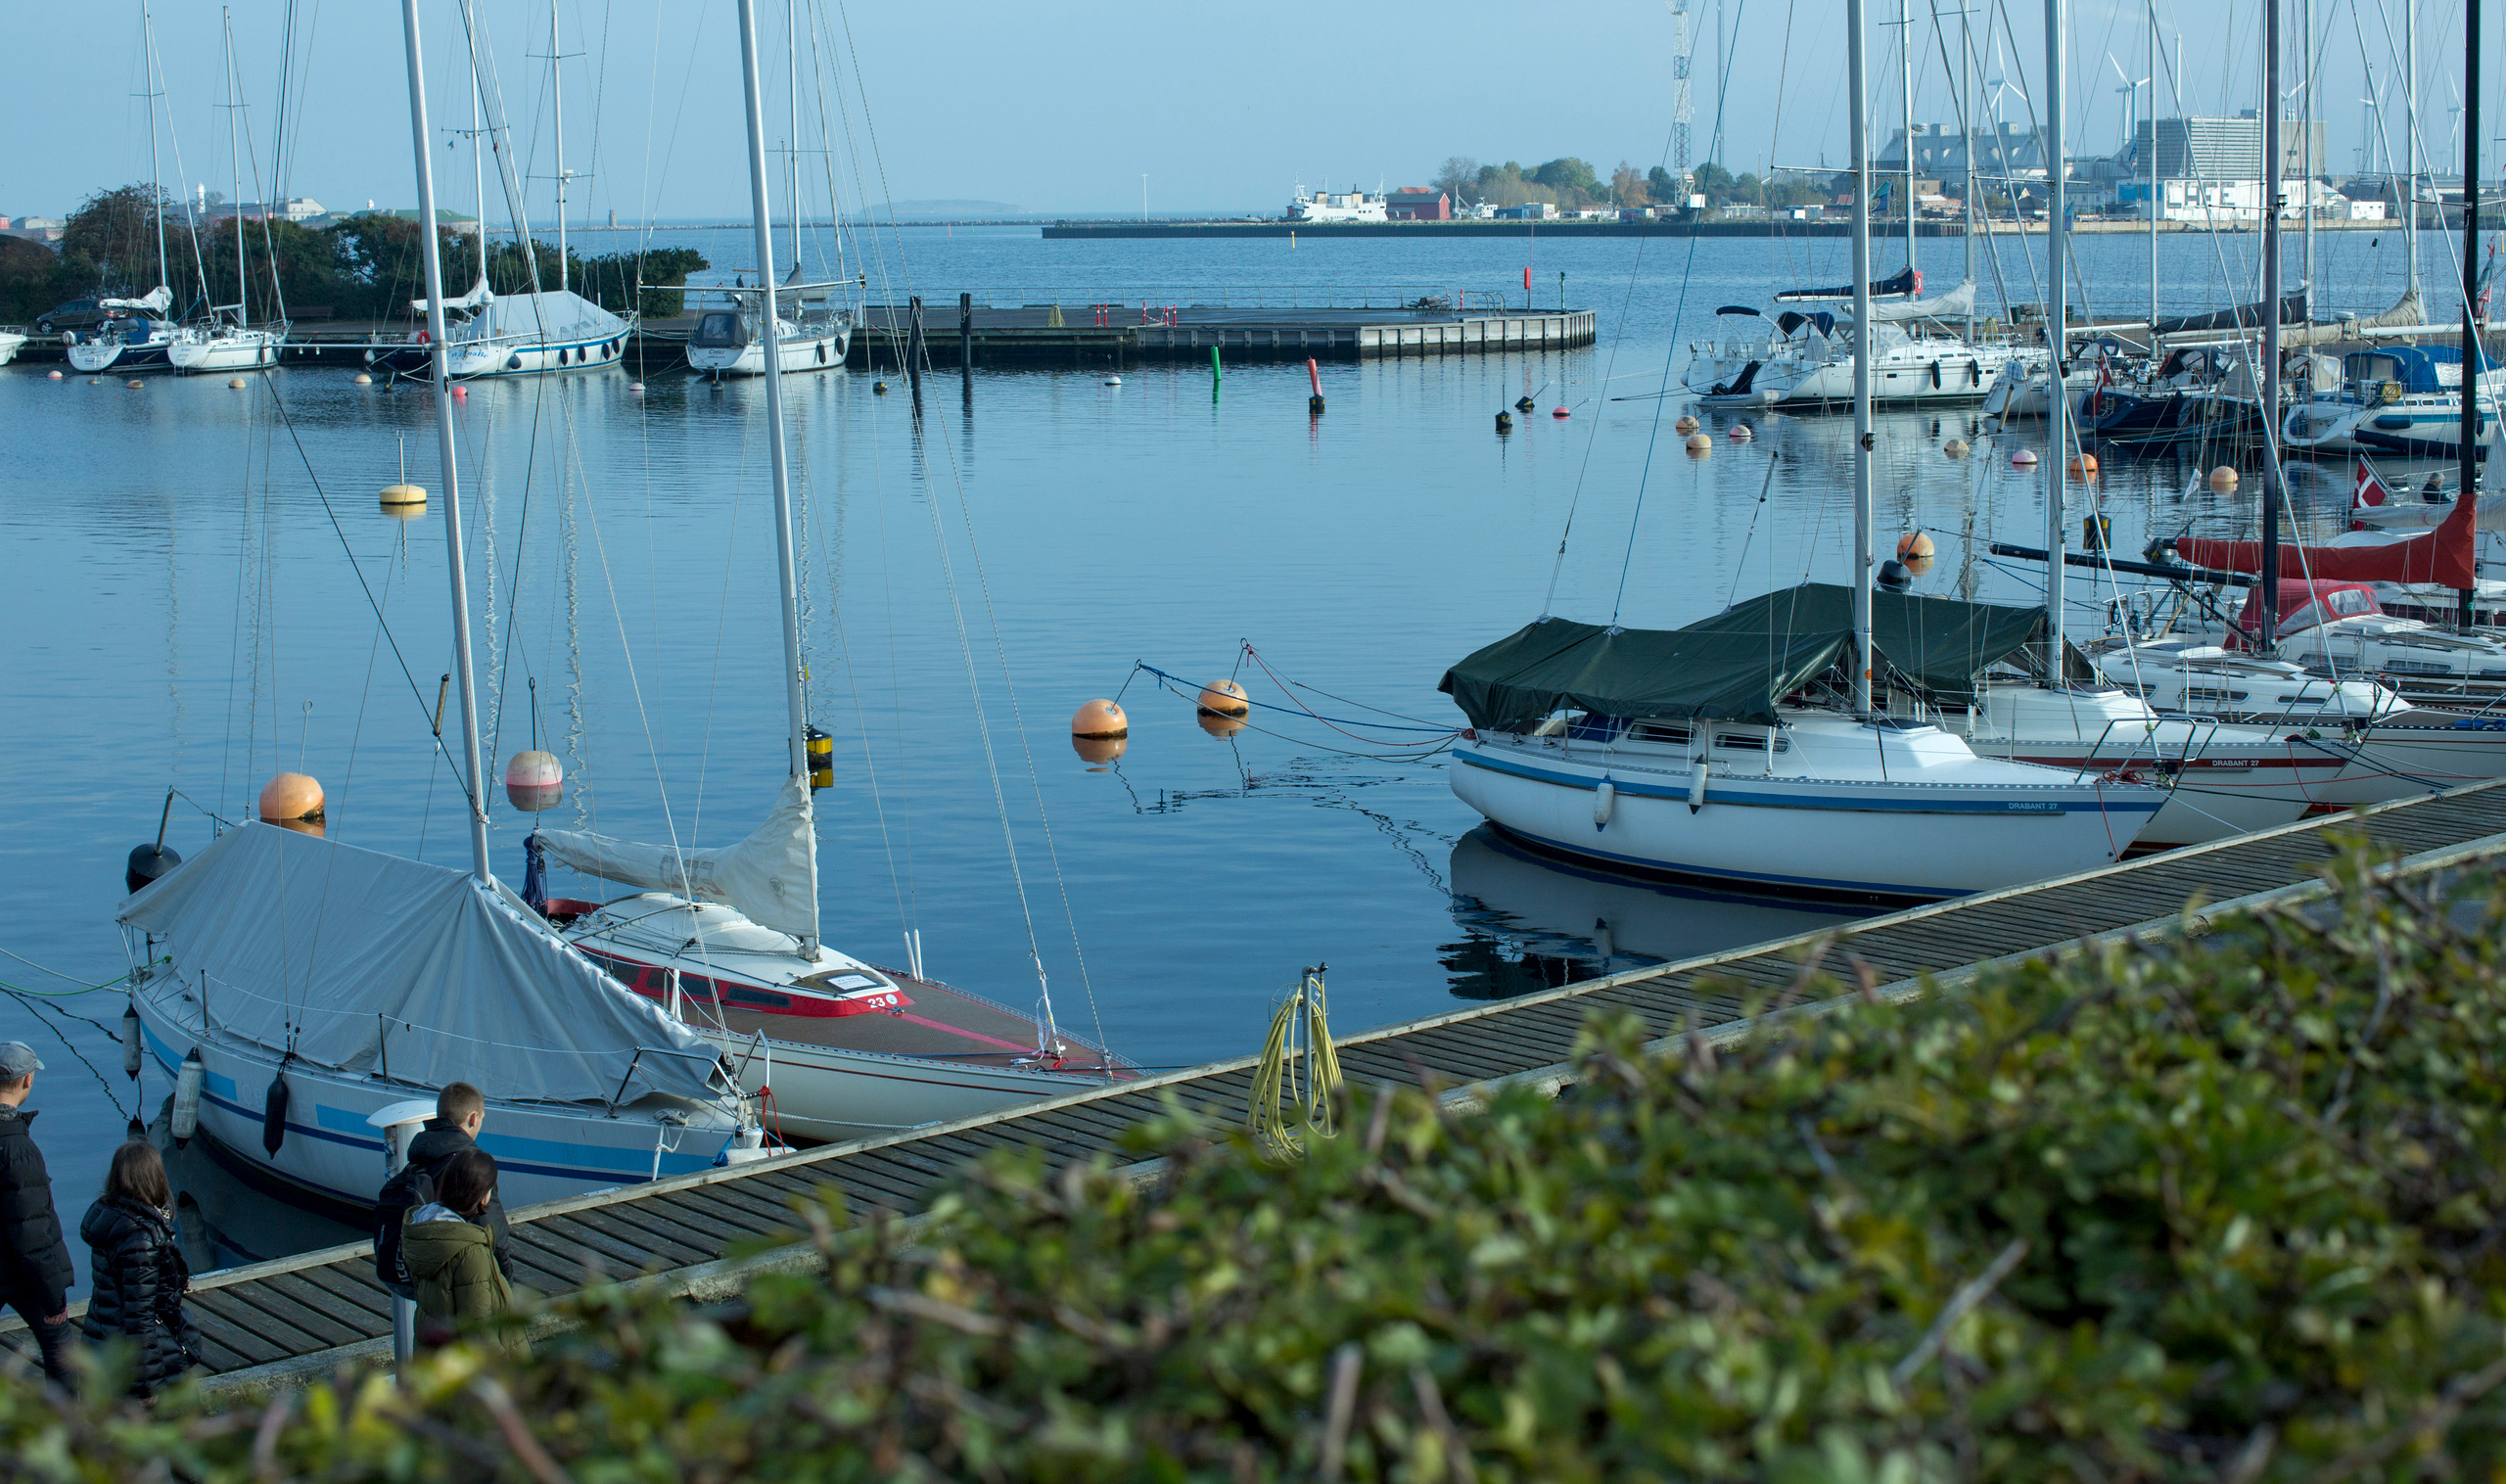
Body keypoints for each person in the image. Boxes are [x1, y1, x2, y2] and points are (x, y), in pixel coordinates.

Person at [78, 1140, 198, 1400]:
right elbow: (140, 1317)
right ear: (155, 1177)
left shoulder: (111, 1216)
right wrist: (149, 1389)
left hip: (100, 1336)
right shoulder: (141, 1238)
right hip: (132, 1357)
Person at [401, 1148, 528, 1356]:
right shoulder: (470, 1253)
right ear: (483, 1195)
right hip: (471, 1379)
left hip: (437, 1368)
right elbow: (479, 1335)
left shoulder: (423, 1230)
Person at [0, 1042, 75, 1390]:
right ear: (27, 1081)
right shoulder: (19, 1149)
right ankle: (69, 1432)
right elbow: (31, 1234)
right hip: (20, 1274)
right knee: (59, 1347)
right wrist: (53, 1296)